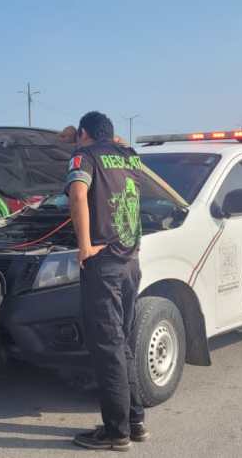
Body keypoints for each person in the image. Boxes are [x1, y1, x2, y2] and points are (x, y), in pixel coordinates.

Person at [64, 112, 147, 451]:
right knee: (122, 340)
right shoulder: (130, 157)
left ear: (84, 133)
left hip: (104, 263)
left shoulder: (84, 156)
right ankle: (135, 421)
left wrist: (83, 246)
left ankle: (116, 433)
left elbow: (78, 195)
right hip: (130, 259)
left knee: (107, 346)